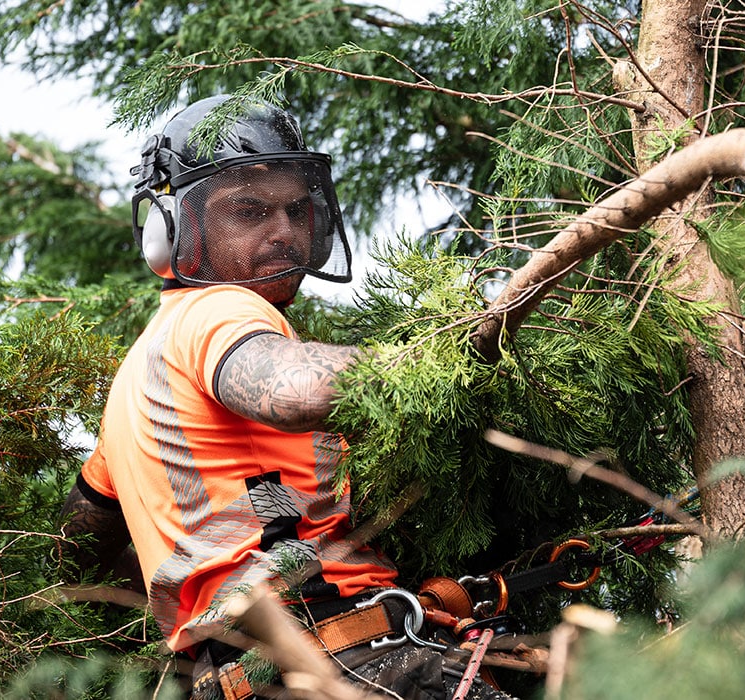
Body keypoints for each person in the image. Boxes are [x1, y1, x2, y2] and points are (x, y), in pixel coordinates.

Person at [60, 95, 511, 700]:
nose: (283, 232)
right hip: (346, 660)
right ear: (173, 230)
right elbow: (296, 390)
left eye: (297, 210)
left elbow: (77, 547)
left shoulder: (136, 385)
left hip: (242, 681)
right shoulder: (217, 309)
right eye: (247, 211)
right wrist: (446, 354)